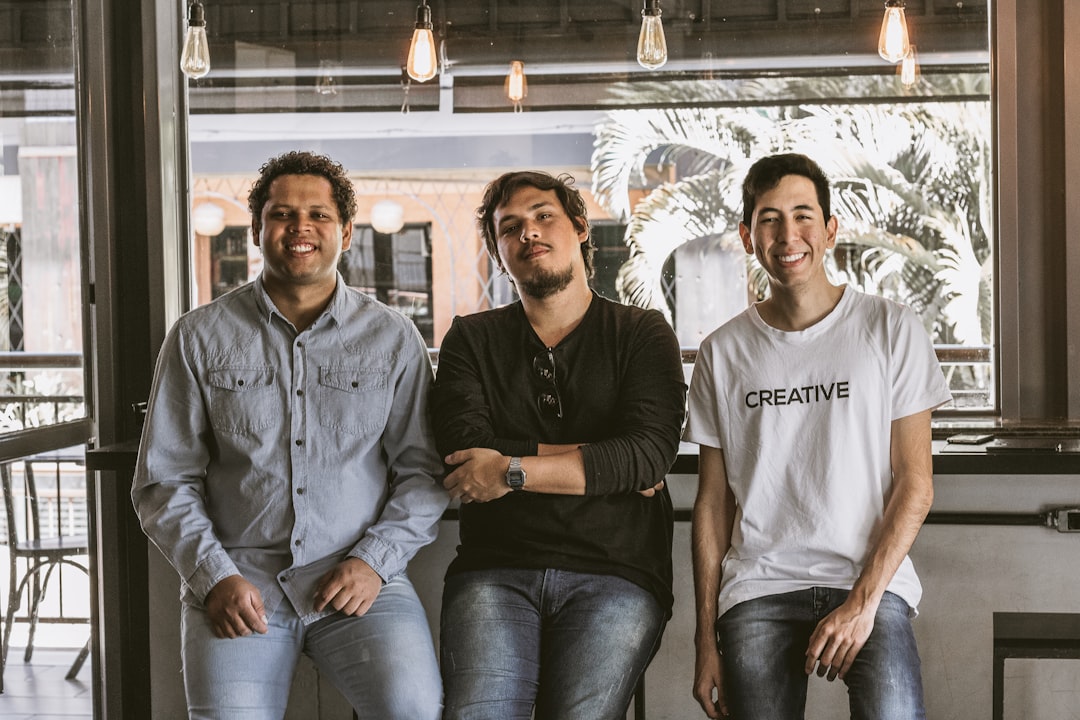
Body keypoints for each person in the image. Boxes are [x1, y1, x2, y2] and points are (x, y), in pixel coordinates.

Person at [132, 150, 449, 720]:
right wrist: (213, 576)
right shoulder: (197, 337)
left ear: (346, 232)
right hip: (238, 585)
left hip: (358, 580)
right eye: (282, 214)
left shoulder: (394, 337)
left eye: (319, 215)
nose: (300, 227)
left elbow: (423, 473)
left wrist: (375, 561)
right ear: (256, 229)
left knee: (414, 711)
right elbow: (163, 480)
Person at [685, 153, 952, 719]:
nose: (789, 235)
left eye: (804, 216)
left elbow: (916, 485)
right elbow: (711, 504)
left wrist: (862, 603)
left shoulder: (891, 329)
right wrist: (705, 640)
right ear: (747, 235)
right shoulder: (722, 353)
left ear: (830, 229)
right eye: (769, 219)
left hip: (871, 581)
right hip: (759, 585)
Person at [430, 170, 687, 720]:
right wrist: (603, 460)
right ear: (499, 253)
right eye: (510, 227)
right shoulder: (470, 339)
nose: (529, 233)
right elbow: (465, 452)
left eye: (544, 216)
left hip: (617, 571)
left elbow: (647, 453)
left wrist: (510, 469)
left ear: (579, 228)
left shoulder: (643, 333)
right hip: (495, 568)